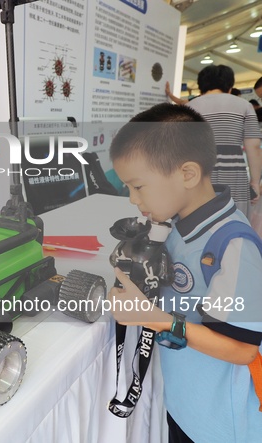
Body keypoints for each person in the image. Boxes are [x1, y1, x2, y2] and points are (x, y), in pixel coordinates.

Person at [108, 102, 262, 443]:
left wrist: (156, 318)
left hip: (221, 427)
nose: (133, 199)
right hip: (183, 406)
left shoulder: (233, 245)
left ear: (188, 174)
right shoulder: (175, 225)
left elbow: (244, 350)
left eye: (139, 186)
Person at [186, 64, 262, 218]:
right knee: (234, 227)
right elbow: (253, 147)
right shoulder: (245, 106)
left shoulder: (189, 108)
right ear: (229, 86)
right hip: (235, 180)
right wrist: (255, 182)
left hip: (198, 179)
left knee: (199, 225)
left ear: (201, 85)